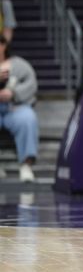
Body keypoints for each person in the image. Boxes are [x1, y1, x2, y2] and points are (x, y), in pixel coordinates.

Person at [0, 35, 38, 182]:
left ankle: (26, 165)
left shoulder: (19, 65)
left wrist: (13, 93)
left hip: (13, 108)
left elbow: (31, 84)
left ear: (4, 45)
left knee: (28, 117)